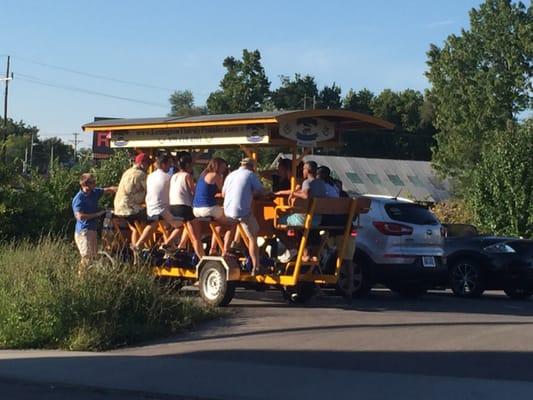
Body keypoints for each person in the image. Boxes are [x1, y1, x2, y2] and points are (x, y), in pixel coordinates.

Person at [222, 157, 267, 275]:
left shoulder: (230, 175)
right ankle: (256, 266)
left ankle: (225, 251)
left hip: (228, 211)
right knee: (253, 236)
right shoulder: (251, 175)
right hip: (243, 212)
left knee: (230, 228)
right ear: (252, 167)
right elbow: (261, 191)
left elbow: (223, 193)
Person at [132, 154, 181, 251]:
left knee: (153, 224)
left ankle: (139, 244)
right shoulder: (168, 178)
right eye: (169, 164)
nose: (170, 166)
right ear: (163, 165)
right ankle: (167, 245)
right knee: (181, 224)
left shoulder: (150, 176)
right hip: (163, 210)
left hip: (151, 208)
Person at [72, 173, 117, 274]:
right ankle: (80, 279)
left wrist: (122, 188)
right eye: (93, 182)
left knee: (93, 257)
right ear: (85, 184)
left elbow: (108, 189)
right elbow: (80, 216)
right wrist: (98, 214)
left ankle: (89, 278)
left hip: (92, 230)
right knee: (87, 257)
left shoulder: (94, 192)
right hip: (84, 231)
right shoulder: (79, 199)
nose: (95, 184)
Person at [163, 153, 205, 259]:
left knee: (181, 226)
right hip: (184, 207)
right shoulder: (187, 176)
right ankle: (201, 257)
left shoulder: (173, 176)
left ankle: (169, 243)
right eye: (191, 165)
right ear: (187, 165)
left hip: (173, 207)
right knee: (195, 235)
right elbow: (194, 192)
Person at [192, 157, 232, 255]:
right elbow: (223, 192)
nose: (223, 170)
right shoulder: (216, 175)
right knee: (231, 223)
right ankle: (226, 249)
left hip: (196, 208)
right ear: (217, 166)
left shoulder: (203, 174)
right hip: (208, 208)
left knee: (218, 222)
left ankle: (213, 249)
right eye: (223, 168)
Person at [113, 153, 151, 245]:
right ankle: (143, 246)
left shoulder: (127, 172)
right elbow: (150, 191)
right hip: (130, 209)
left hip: (119, 207)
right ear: (142, 163)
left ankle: (136, 252)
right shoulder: (141, 174)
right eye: (148, 164)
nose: (149, 167)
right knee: (154, 220)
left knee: (135, 229)